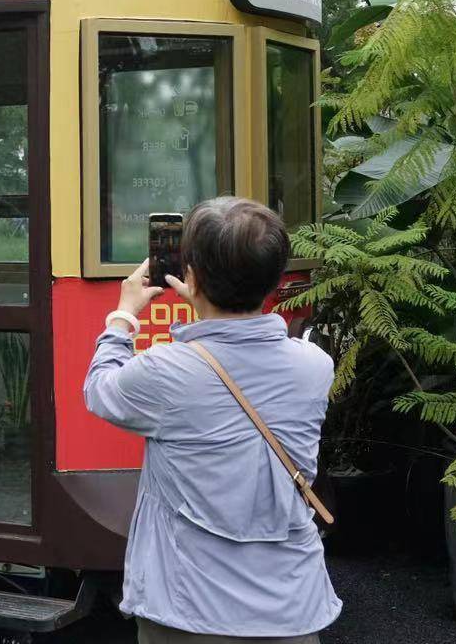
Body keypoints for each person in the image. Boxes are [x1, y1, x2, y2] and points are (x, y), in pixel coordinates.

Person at [84, 197, 340, 643]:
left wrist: (123, 315)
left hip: (188, 612)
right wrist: (207, 304)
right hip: (291, 611)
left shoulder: (165, 372)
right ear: (275, 281)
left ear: (191, 276)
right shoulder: (314, 366)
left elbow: (101, 389)